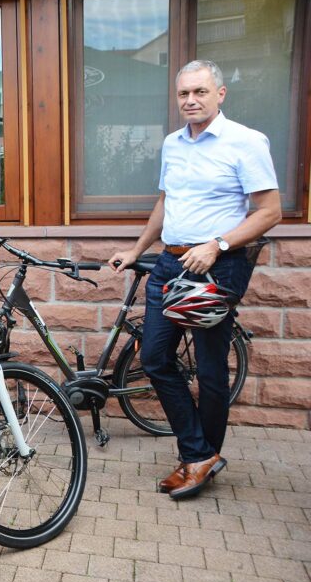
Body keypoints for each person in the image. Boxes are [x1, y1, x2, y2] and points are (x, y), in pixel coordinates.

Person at [109, 60, 281, 500]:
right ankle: (200, 454)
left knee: (209, 368)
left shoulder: (245, 141)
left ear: (220, 94)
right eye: (184, 93)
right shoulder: (173, 144)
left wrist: (217, 245)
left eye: (200, 92)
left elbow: (270, 212)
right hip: (170, 262)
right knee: (155, 358)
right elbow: (166, 202)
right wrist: (137, 250)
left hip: (216, 266)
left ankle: (197, 459)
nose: (190, 100)